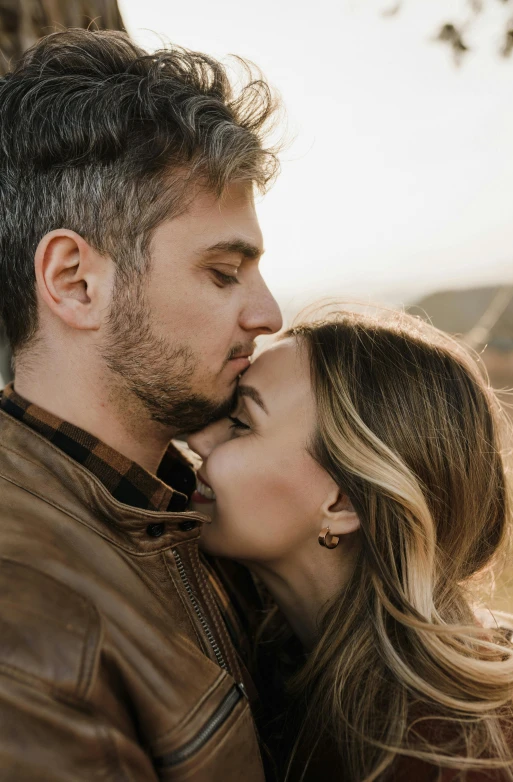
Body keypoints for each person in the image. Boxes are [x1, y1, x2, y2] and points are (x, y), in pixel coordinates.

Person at [0, 28, 283, 780]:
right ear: (75, 282)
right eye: (224, 273)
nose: (269, 314)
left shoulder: (199, 496)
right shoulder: (24, 632)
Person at [188, 309, 513, 782]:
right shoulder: (290, 649)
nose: (199, 438)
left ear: (342, 502)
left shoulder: (429, 757)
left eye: (241, 424)